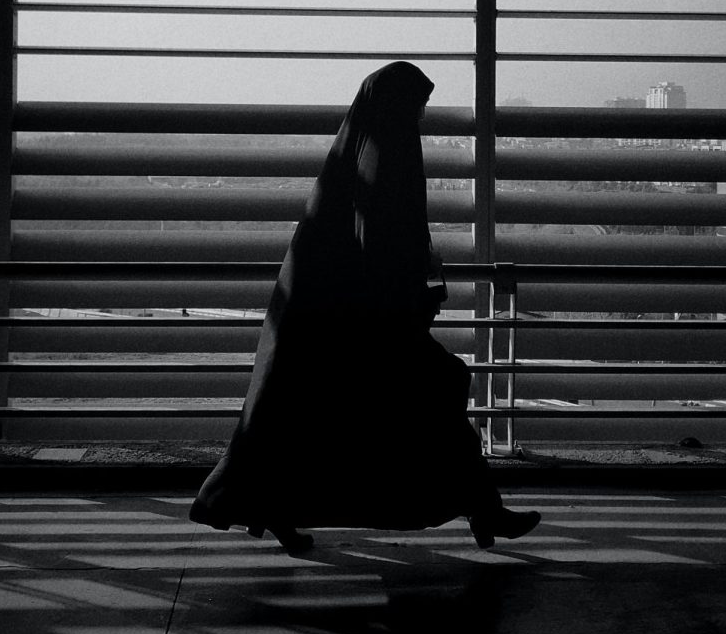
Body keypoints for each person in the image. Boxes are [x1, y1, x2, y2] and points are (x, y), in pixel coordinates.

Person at [189, 61, 540, 552]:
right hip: (374, 324)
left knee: (312, 426)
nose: (420, 118)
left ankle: (483, 509)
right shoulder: (382, 156)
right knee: (434, 397)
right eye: (416, 108)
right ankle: (484, 509)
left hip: (344, 323)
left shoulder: (361, 156)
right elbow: (382, 244)